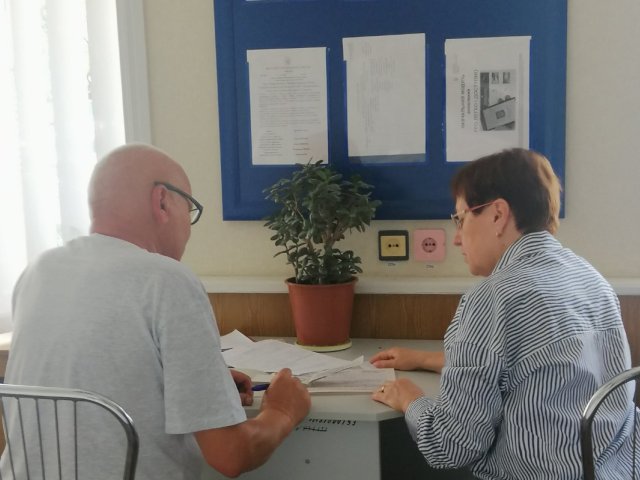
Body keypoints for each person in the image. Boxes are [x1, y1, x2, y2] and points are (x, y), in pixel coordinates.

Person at [2, 144, 311, 479]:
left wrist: (204, 382)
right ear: (162, 201)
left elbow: (94, 371)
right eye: (189, 210)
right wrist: (282, 411)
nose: (189, 227)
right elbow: (231, 455)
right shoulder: (166, 279)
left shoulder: (38, 272)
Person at [370, 148, 635, 479]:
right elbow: (538, 366)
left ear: (497, 214)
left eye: (460, 219)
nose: (457, 239)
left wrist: (411, 400)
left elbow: (451, 446)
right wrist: (424, 359)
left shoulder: (494, 297)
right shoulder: (589, 278)